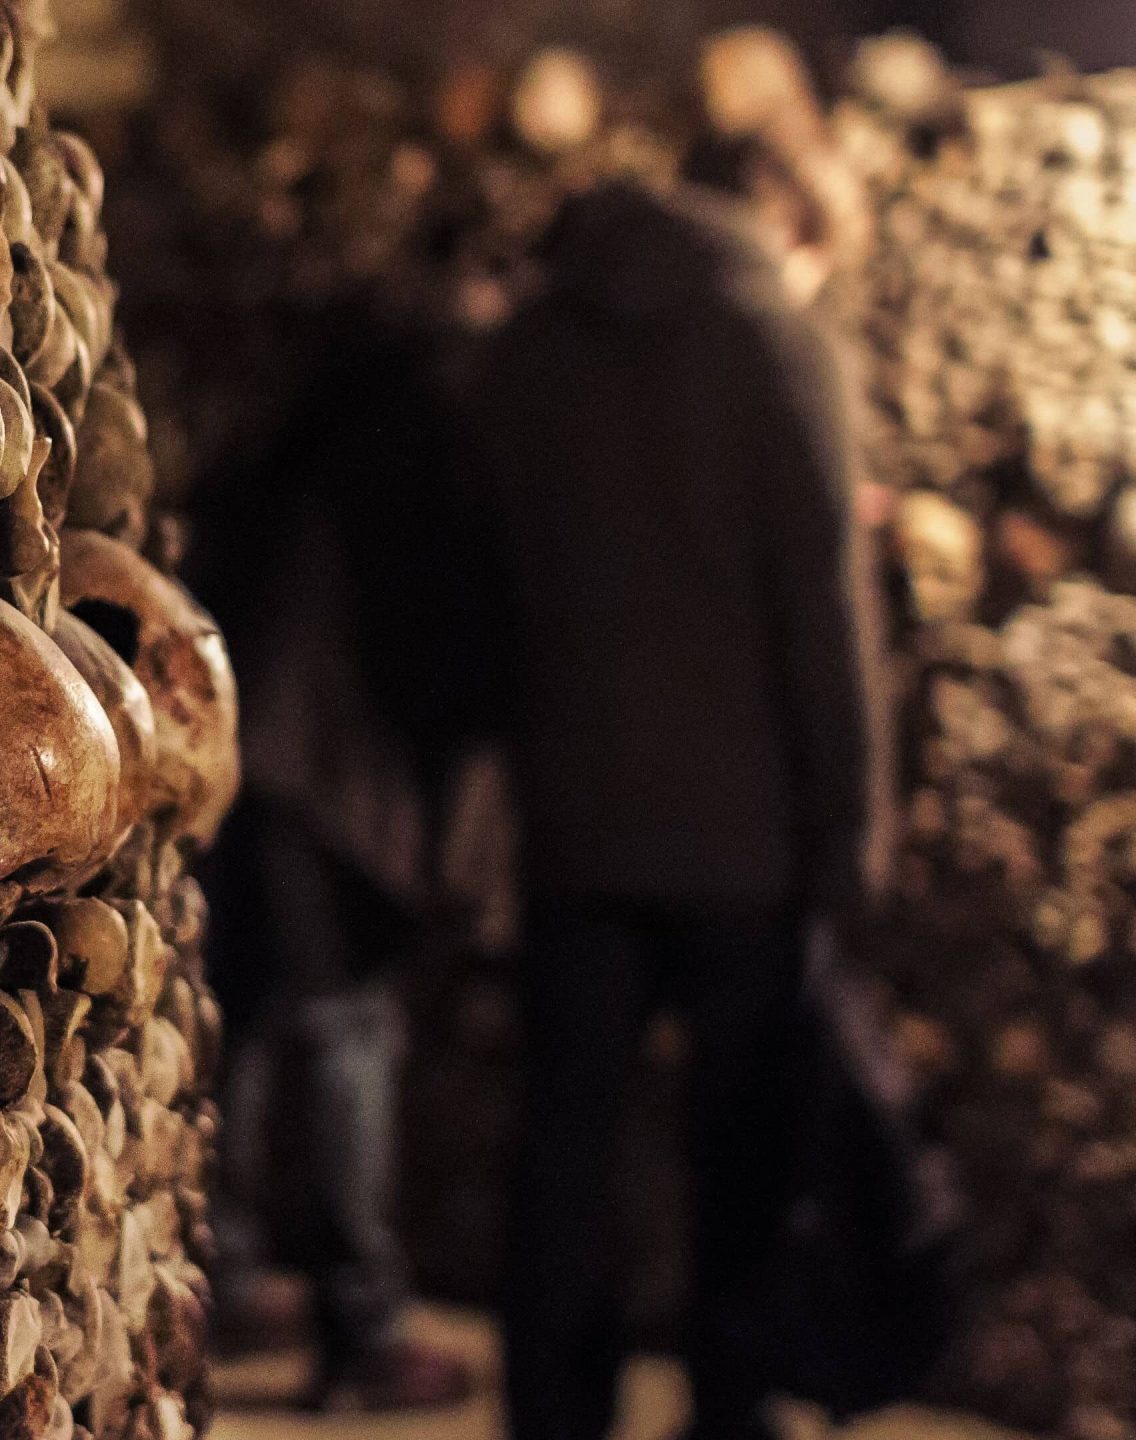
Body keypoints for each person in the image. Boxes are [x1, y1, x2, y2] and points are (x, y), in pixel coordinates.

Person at [467, 134, 893, 1440]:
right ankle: (732, 1406)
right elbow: (825, 611)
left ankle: (551, 1412)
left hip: (576, 820)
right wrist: (851, 831)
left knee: (565, 1153)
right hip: (748, 839)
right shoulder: (778, 345)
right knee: (745, 1162)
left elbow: (487, 582)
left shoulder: (527, 349)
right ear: (778, 211)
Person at [194, 294, 486, 1413]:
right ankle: (358, 1329)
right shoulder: (408, 456)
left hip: (251, 766)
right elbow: (433, 648)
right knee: (347, 1038)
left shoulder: (284, 454)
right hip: (329, 788)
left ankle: (225, 1268)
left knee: (251, 1023)